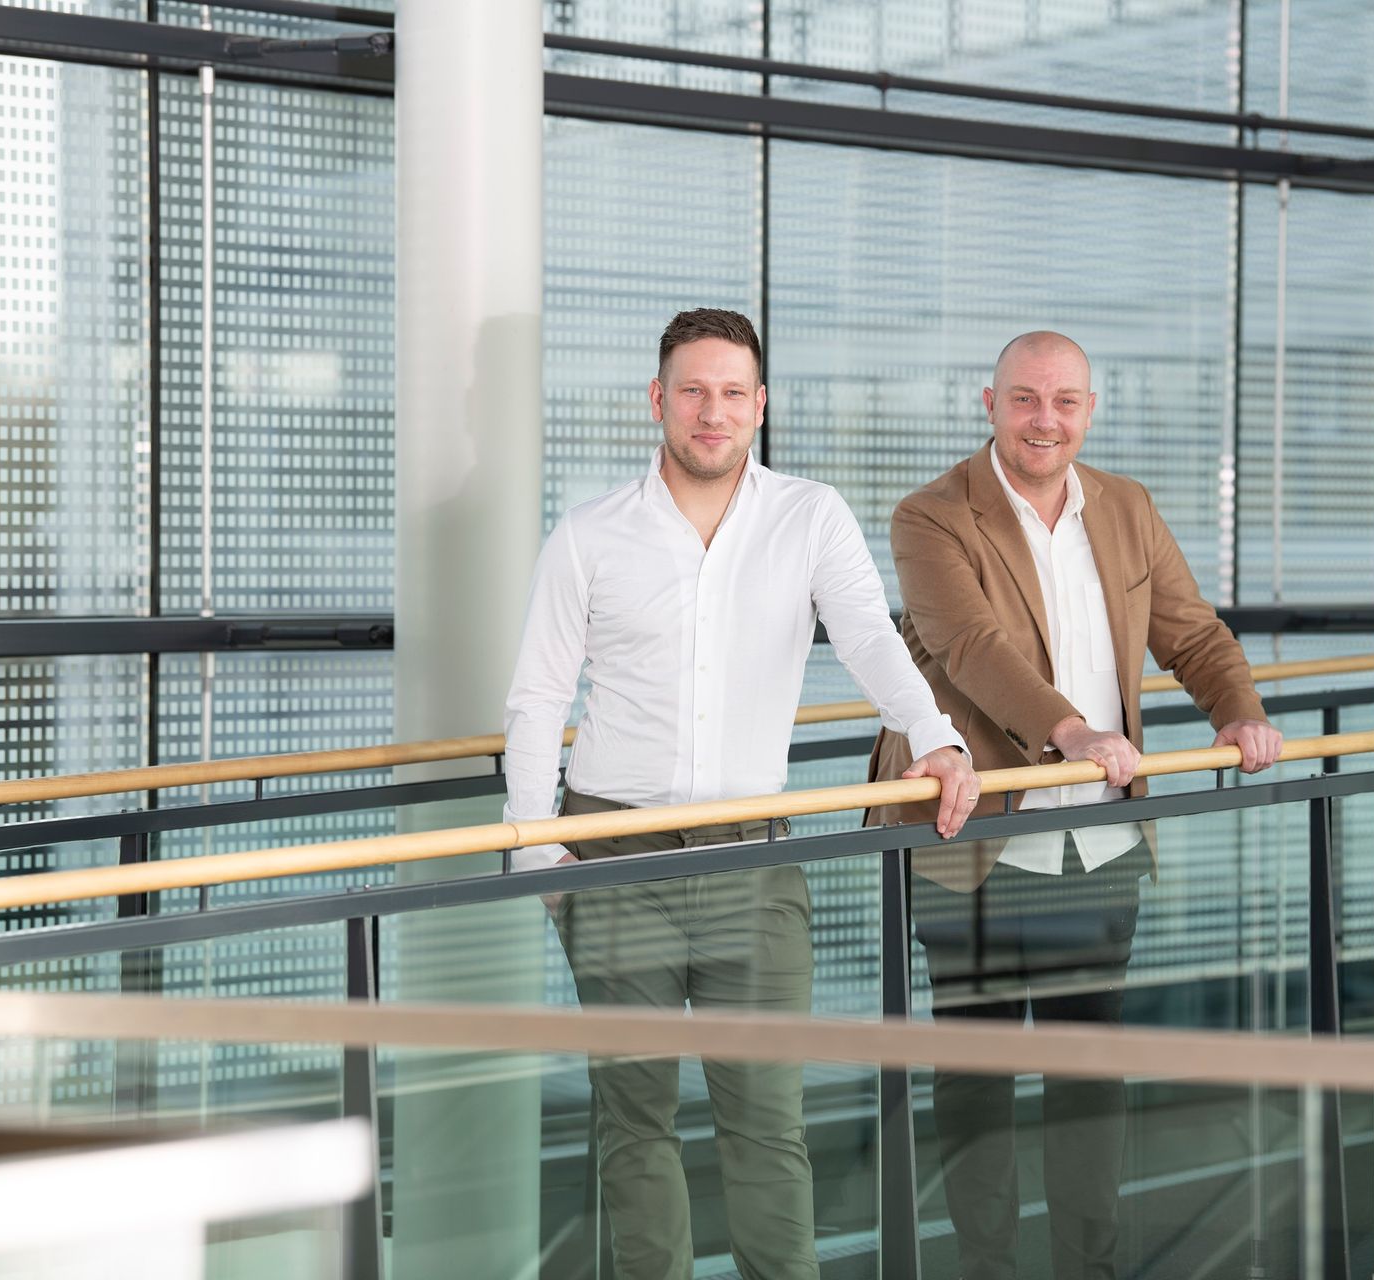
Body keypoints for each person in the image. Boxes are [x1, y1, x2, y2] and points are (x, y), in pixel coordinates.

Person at [503, 308, 980, 1280]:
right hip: (614, 853)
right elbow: (538, 695)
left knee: (766, 1119)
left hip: (753, 861)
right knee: (633, 1118)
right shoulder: (590, 535)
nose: (710, 411)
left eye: (731, 392)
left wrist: (934, 736)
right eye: (692, 390)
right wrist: (537, 847)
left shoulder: (809, 516)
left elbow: (870, 637)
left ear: (759, 405)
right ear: (658, 399)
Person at [867, 330, 1282, 1280]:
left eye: (1064, 401)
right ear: (989, 405)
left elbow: (1192, 633)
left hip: (1097, 845)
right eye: (1024, 399)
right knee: (975, 1081)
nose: (1044, 420)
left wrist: (1240, 711)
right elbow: (971, 648)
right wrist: (1074, 733)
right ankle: (985, 1270)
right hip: (972, 838)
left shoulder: (1127, 507)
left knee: (1088, 1080)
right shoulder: (932, 516)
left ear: (1090, 410)